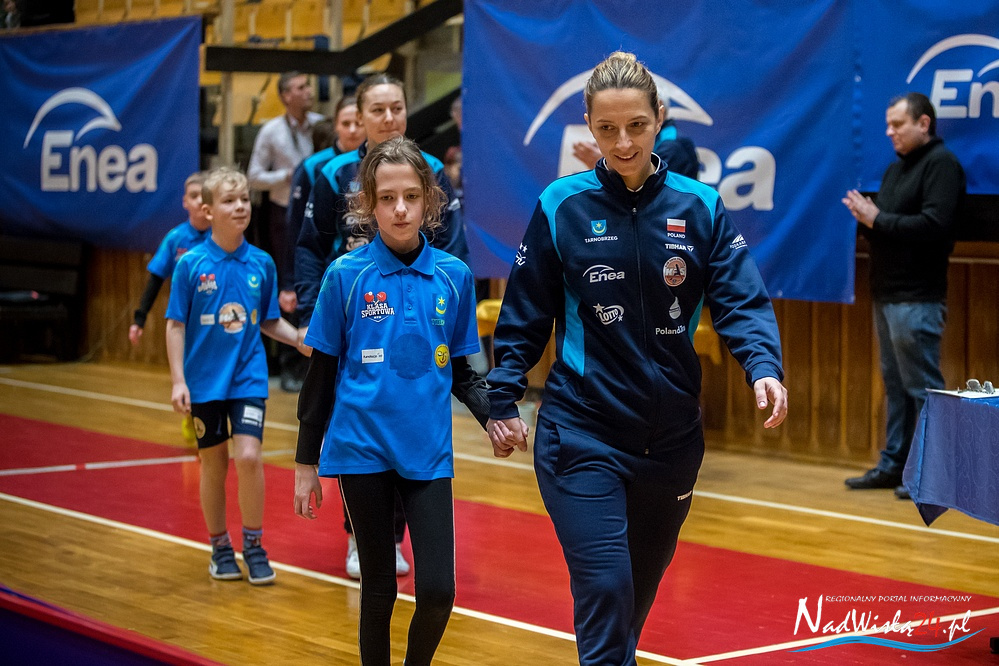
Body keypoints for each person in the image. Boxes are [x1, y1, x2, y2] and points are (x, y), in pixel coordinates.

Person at [486, 52, 787, 665]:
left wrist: (763, 366)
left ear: (660, 120)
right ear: (588, 127)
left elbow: (740, 298)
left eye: (636, 126)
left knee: (631, 607)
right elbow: (525, 311)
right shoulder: (560, 205)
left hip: (671, 444)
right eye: (607, 129)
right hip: (581, 434)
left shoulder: (700, 206)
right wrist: (503, 395)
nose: (622, 143)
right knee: (606, 590)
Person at [293, 137, 488, 665]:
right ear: (368, 204)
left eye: (410, 196)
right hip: (361, 451)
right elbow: (320, 377)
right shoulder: (345, 275)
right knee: (378, 590)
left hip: (427, 453)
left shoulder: (455, 277)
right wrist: (306, 464)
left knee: (439, 592)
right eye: (386, 198)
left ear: (429, 199)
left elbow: (464, 373)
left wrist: (497, 416)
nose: (400, 209)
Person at [166, 167, 307, 585]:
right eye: (229, 201)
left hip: (248, 377)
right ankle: (219, 547)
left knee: (248, 457)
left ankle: (255, 545)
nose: (240, 206)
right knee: (214, 463)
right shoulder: (190, 265)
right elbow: (175, 325)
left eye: (244, 199)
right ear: (209, 211)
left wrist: (298, 339)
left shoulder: (262, 263)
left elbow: (268, 321)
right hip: (205, 382)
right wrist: (179, 380)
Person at [842, 92, 965, 499]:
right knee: (896, 388)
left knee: (923, 389)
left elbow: (934, 226)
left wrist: (877, 218)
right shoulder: (896, 169)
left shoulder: (942, 165)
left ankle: (935, 476)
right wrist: (867, 220)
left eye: (897, 124)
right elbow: (889, 227)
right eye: (888, 124)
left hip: (918, 297)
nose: (889, 131)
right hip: (888, 294)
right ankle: (895, 465)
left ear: (923, 123)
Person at [295, 72, 471, 335]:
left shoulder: (432, 169)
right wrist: (309, 316)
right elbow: (310, 248)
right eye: (378, 110)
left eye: (397, 109)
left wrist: (454, 312)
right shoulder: (335, 172)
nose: (389, 118)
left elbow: (453, 246)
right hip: (352, 308)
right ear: (360, 116)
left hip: (422, 309)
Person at [247, 71, 324, 392]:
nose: (309, 91)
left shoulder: (321, 124)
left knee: (317, 277)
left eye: (309, 85)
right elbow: (253, 176)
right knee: (289, 283)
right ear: (285, 96)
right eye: (301, 87)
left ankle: (317, 360)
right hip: (283, 215)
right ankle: (291, 364)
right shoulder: (271, 131)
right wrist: (286, 176)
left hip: (321, 211)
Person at [129, 172, 210, 348]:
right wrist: (139, 320)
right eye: (194, 196)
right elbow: (156, 279)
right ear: (185, 202)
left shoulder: (223, 237)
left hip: (216, 315)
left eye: (204, 196)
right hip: (185, 317)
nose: (199, 201)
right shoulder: (175, 238)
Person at [572, 100, 699, 179]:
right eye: (607, 127)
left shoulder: (673, 146)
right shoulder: (566, 194)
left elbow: (650, 193)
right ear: (590, 125)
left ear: (659, 115)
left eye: (636, 124)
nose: (624, 145)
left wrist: (610, 168)